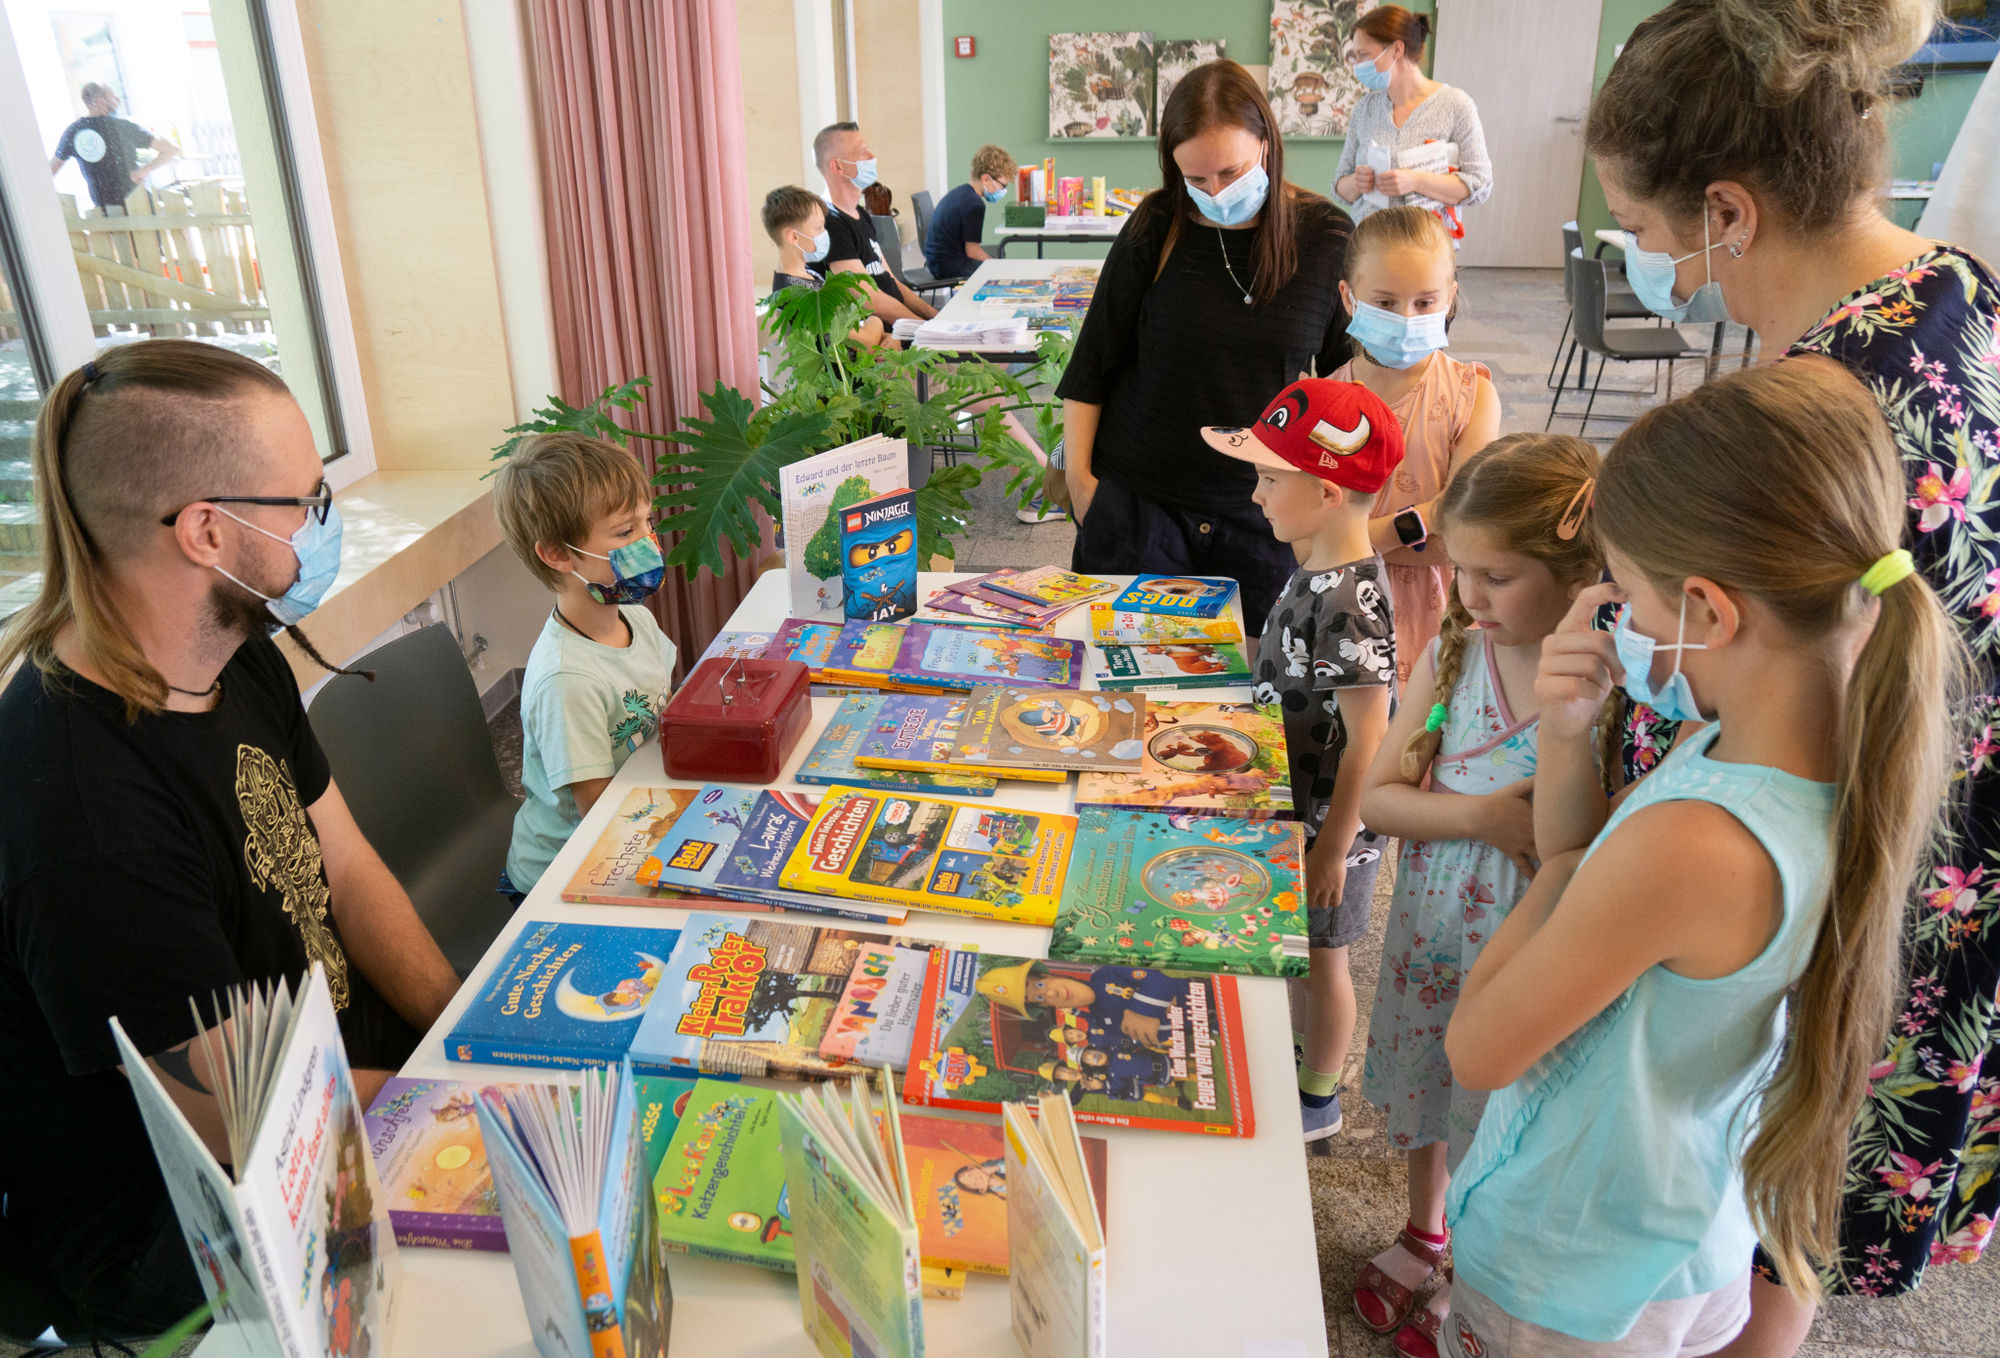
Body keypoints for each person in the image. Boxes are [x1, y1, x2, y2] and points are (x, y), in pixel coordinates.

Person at [1581, 0, 2000, 1345]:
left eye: (1647, 236)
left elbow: (1747, 689)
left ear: (1728, 211)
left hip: (1865, 866)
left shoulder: (1833, 398)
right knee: (1789, 1205)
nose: (1654, 264)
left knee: (1777, 1178)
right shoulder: (1947, 286)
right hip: (1918, 822)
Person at [1441, 362, 1963, 1357]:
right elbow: (1578, 849)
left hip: (1572, 1267)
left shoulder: (1694, 844)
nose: (1618, 623)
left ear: (1707, 611)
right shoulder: (1792, 750)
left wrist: (1558, 877)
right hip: (1676, 1231)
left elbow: (1478, 1046)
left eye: (1627, 599)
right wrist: (1563, 731)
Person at [0, 341, 460, 1340]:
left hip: (346, 1082)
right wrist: (467, 1103)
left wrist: (467, 1039)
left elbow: (344, 864)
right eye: (306, 499)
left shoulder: (233, 652)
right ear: (208, 531)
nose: (326, 519)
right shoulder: (79, 812)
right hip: (198, 1228)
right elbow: (257, 1126)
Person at [1350, 434, 1605, 1357]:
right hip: (1431, 932)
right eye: (1461, 571)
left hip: (1532, 945)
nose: (1467, 597)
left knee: (1510, 1107)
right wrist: (1489, 820)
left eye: (1498, 576)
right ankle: (1428, 1229)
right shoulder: (1453, 656)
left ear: (1582, 571)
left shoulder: (1607, 684)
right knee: (1428, 1082)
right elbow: (1381, 799)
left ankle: (1485, 1273)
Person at [1059, 59, 1356, 635]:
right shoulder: (1157, 224)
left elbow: (1349, 387)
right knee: (1127, 688)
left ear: (1266, 143)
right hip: (1138, 507)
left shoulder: (1326, 236)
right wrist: (1081, 486)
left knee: (1249, 699)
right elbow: (1093, 363)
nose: (1215, 192)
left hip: (1264, 514)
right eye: (1195, 179)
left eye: (1230, 170)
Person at [1203, 377, 1402, 1142]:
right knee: (1301, 953)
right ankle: (1297, 1058)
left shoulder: (1351, 600)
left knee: (1326, 961)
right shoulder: (1317, 563)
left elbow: (1370, 739)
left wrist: (1332, 846)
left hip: (1332, 828)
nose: (1255, 495)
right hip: (1296, 811)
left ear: (1324, 492)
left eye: (1268, 479)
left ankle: (1317, 1101)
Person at [492, 432, 680, 898]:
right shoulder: (566, 680)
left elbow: (667, 719)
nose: (649, 542)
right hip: (562, 872)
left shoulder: (634, 617)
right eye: (624, 532)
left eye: (646, 522)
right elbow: (600, 811)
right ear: (557, 553)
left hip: (636, 818)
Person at [1335, 205, 1500, 683]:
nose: (1406, 318)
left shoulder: (1474, 395)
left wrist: (1352, 538)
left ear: (1449, 298)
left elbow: (1462, 533)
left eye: (1424, 303)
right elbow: (1306, 543)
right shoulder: (1325, 400)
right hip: (1342, 613)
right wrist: (1424, 519)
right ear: (1349, 298)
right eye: (1385, 303)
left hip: (1440, 615)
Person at [1331, 8, 1492, 235]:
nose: (1357, 64)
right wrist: (1356, 182)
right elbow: (1339, 187)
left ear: (1397, 49)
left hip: (1427, 250)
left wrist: (1416, 181)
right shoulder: (1364, 109)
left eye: (1363, 55)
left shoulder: (1456, 105)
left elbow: (1480, 184)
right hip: (1368, 246)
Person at [811, 121, 937, 326]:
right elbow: (869, 300)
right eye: (862, 152)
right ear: (837, 166)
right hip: (883, 337)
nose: (872, 157)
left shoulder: (860, 213)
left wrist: (933, 315)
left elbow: (890, 280)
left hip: (903, 327)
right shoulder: (829, 222)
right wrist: (924, 328)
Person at [760, 184, 892, 348]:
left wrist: (890, 337)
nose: (825, 234)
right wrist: (876, 321)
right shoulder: (799, 294)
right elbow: (865, 343)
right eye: (818, 228)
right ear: (794, 237)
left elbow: (854, 329)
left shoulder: (809, 276)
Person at [48, 81, 180, 213]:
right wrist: (144, 171)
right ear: (99, 101)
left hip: (106, 212)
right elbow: (171, 150)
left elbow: (49, 172)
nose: (118, 101)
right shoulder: (123, 127)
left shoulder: (73, 132)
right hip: (140, 207)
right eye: (113, 98)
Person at [923, 143, 1016, 283]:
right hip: (948, 267)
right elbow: (972, 251)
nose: (1002, 191)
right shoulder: (975, 205)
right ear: (986, 178)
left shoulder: (962, 192)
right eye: (1002, 185)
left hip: (935, 262)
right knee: (1000, 273)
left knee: (996, 262)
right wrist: (996, 265)